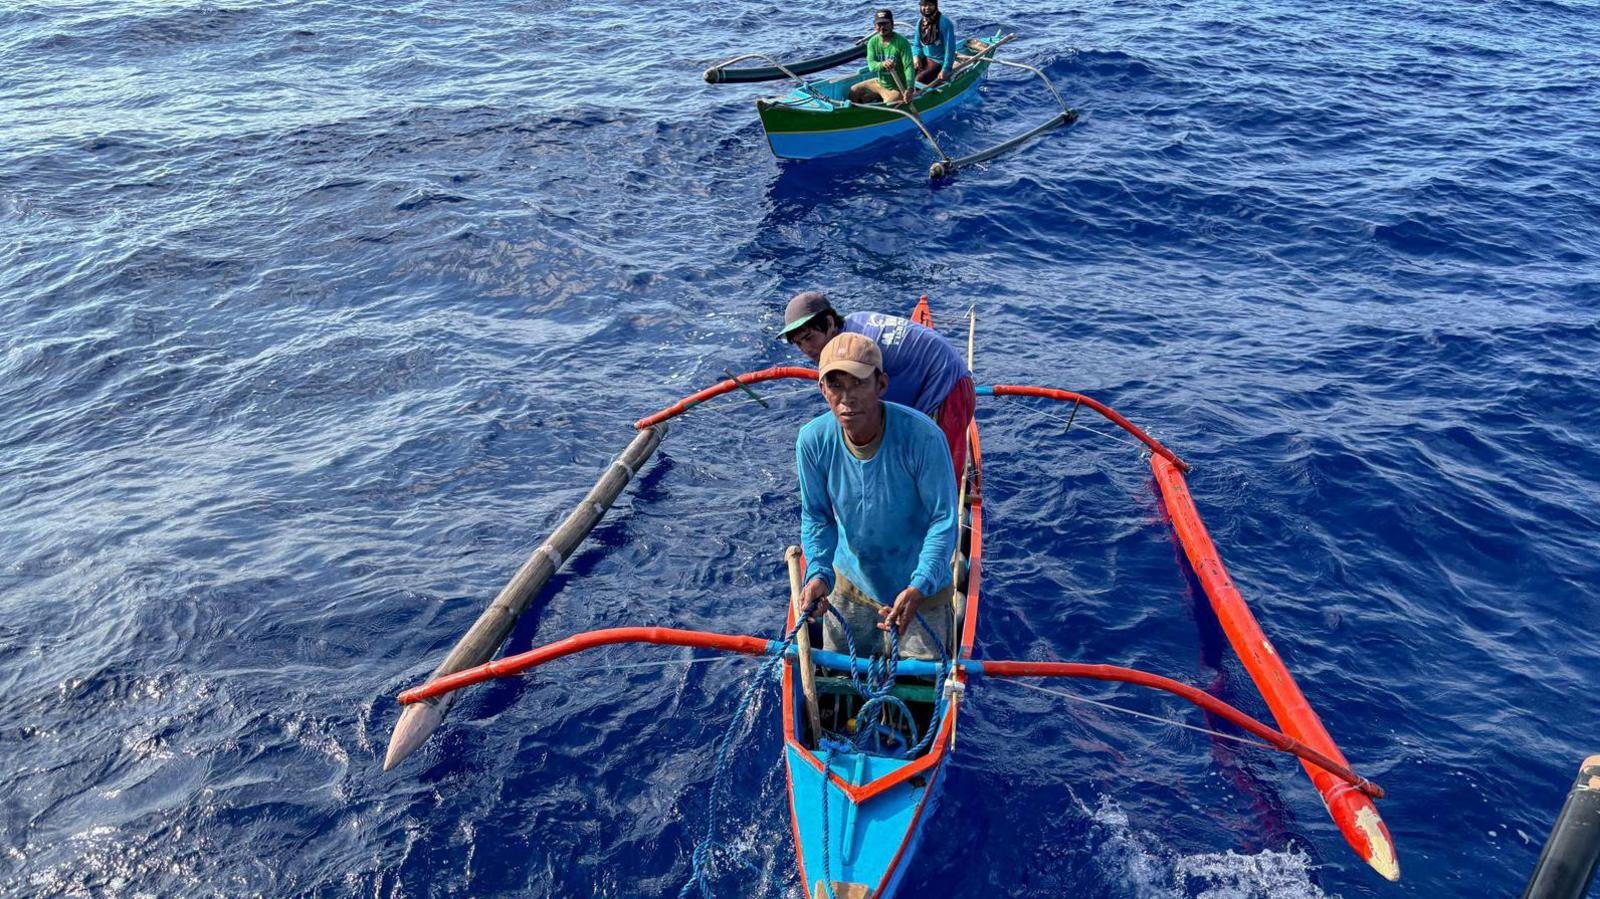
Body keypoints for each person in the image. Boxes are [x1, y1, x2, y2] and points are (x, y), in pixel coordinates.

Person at [795, 333, 958, 661]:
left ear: (881, 385)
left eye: (857, 383)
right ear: (822, 390)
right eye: (835, 385)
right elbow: (817, 516)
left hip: (920, 592)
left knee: (924, 683)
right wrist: (818, 573)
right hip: (851, 587)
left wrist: (920, 585)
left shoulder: (924, 437)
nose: (846, 398)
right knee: (841, 678)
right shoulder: (812, 441)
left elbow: (944, 520)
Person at [779, 291, 977, 480]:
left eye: (809, 338)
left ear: (829, 323)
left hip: (952, 389)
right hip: (935, 373)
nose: (806, 349)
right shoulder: (853, 323)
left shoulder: (856, 352)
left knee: (941, 476)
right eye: (799, 343)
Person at [850, 9, 917, 105]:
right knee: (854, 91)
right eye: (879, 24)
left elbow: (909, 67)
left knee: (890, 103)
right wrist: (883, 64)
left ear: (892, 24)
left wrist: (910, 89)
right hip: (880, 83)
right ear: (875, 26)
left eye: (885, 24)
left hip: (897, 87)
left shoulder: (902, 42)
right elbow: (872, 66)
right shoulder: (872, 42)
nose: (882, 27)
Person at [913, 0, 957, 87]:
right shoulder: (920, 23)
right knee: (907, 73)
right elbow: (917, 45)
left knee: (919, 79)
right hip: (925, 58)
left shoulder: (945, 23)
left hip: (939, 61)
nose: (927, 8)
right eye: (924, 5)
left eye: (930, 5)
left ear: (936, 6)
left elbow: (950, 50)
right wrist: (916, 56)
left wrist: (946, 69)